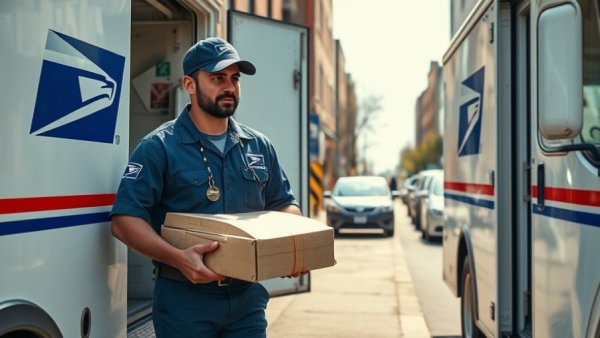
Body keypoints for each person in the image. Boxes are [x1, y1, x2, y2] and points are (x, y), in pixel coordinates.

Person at [110, 37, 302, 338]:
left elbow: (285, 204)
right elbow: (124, 221)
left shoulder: (258, 146)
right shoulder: (159, 146)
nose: (229, 87)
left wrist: (289, 245)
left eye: (234, 78)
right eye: (217, 78)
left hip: (246, 299)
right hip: (184, 300)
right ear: (189, 84)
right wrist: (178, 258)